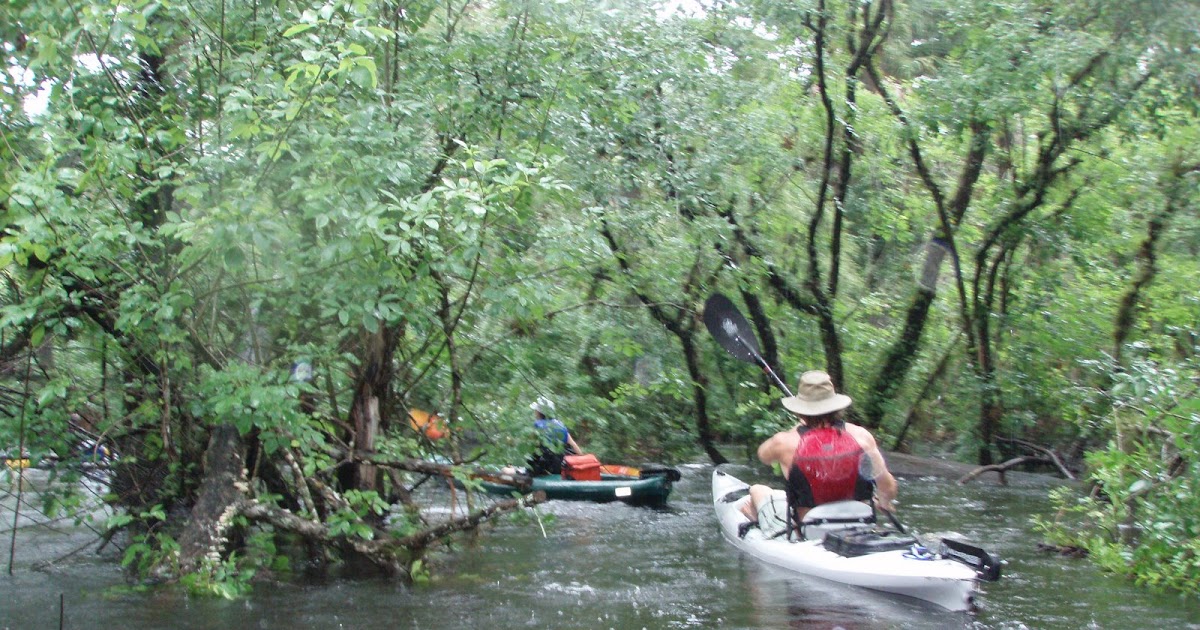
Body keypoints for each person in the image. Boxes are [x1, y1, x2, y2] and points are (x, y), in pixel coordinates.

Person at [738, 370, 898, 539]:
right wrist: (884, 501)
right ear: (837, 407)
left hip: (810, 531)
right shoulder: (862, 437)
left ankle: (767, 533)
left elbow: (763, 455)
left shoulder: (784, 442)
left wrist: (795, 429)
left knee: (757, 490)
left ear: (800, 412)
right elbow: (887, 487)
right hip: (860, 526)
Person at [526, 396, 584, 475]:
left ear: (539, 412)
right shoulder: (560, 426)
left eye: (536, 410)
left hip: (541, 468)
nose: (535, 412)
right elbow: (576, 449)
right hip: (558, 468)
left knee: (507, 471)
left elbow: (530, 448)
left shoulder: (537, 426)